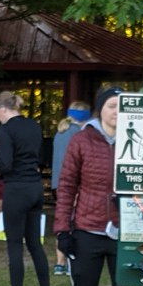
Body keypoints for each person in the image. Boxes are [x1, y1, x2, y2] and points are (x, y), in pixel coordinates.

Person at [54, 87, 125, 286]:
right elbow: (67, 185)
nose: (117, 112)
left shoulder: (137, 141)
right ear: (100, 110)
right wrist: (63, 230)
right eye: (111, 106)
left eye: (122, 106)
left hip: (125, 233)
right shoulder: (82, 140)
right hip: (87, 230)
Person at [0, 90, 56, 286]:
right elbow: (39, 156)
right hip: (35, 187)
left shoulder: (6, 130)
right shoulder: (33, 126)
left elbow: (6, 165)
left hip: (16, 189)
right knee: (35, 243)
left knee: (14, 245)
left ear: (3, 109)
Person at [50, 99, 92, 275]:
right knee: (74, 223)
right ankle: (71, 260)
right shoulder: (80, 135)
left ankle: (60, 263)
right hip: (73, 184)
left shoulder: (60, 133)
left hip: (57, 184)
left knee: (62, 220)